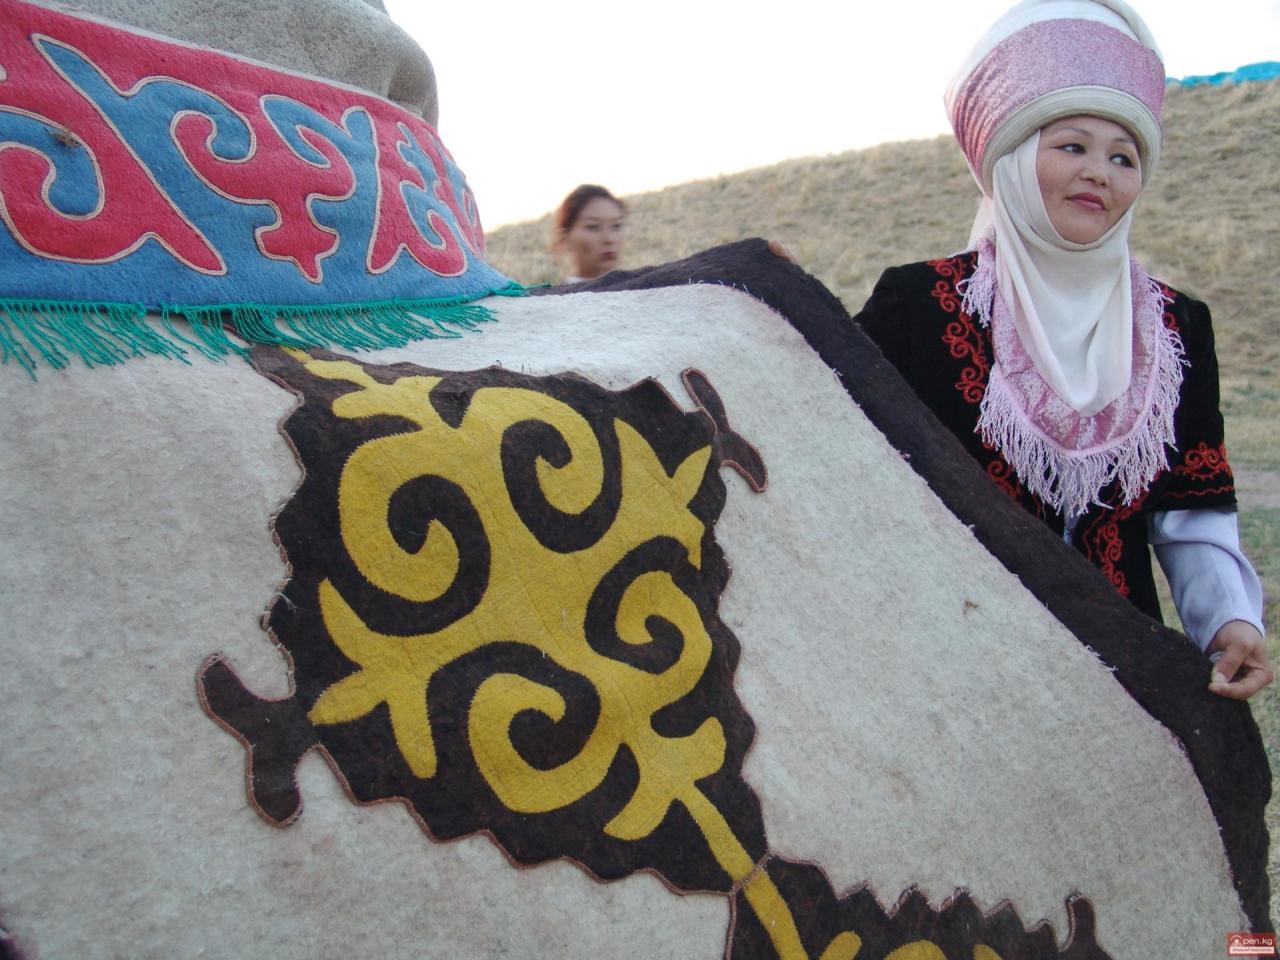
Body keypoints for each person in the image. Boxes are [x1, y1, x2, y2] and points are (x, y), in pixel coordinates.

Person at [853, 0, 1272, 699]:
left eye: (1124, 156)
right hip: (950, 679)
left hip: (1123, 686)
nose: (1100, 173)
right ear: (1013, 158)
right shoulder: (920, 306)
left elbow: (1191, 509)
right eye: (1072, 146)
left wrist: (1230, 622)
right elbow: (832, 448)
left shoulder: (1176, 328)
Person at [552, 184, 625, 282]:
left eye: (616, 226)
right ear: (566, 238)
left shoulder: (641, 292)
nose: (609, 239)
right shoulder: (557, 296)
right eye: (593, 227)